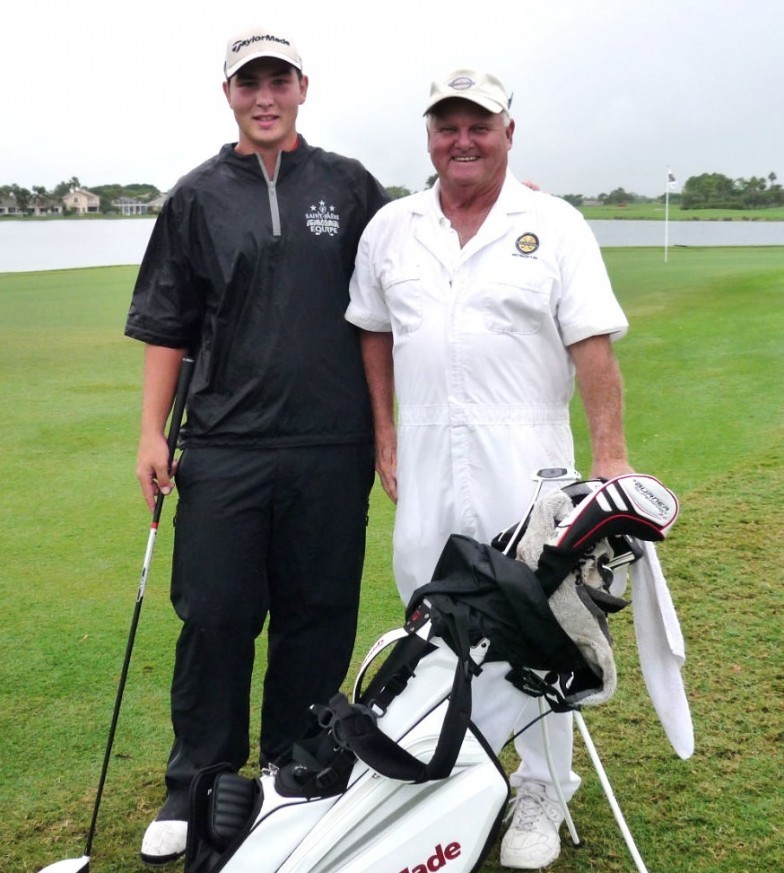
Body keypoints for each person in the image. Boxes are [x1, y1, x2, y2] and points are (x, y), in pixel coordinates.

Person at [346, 69, 633, 870]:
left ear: (510, 131)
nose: (462, 140)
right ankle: (453, 772)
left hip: (528, 457)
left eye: (480, 124)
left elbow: (593, 347)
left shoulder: (554, 223)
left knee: (536, 626)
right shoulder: (392, 229)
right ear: (429, 136)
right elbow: (372, 329)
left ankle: (543, 786)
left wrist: (609, 458)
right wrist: (385, 432)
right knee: (432, 617)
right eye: (447, 126)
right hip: (430, 457)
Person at [124, 26, 389, 865]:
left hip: (329, 440)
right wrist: (147, 434)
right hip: (226, 442)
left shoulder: (351, 188)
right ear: (229, 94)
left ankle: (294, 766)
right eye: (249, 83)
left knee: (316, 614)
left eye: (278, 80)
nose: (264, 96)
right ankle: (196, 781)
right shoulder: (197, 196)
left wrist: (507, 197)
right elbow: (167, 326)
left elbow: (406, 269)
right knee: (214, 616)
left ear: (303, 87)